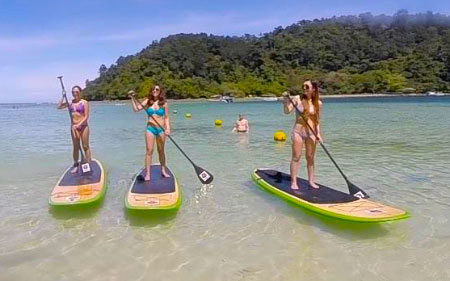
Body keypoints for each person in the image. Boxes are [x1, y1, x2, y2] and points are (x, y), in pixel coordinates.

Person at [283, 80, 323, 189]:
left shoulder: (318, 103)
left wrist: (318, 134)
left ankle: (311, 181)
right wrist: (286, 101)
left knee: (310, 157)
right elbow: (287, 111)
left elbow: (317, 120)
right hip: (298, 131)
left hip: (311, 132)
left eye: (307, 86)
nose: (304, 88)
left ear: (313, 89)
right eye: (303, 86)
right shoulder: (297, 99)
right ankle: (294, 182)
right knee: (296, 156)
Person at [129, 85, 171, 181]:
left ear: (160, 91)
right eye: (153, 89)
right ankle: (148, 174)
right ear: (151, 91)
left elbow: (167, 117)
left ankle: (163, 171)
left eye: (157, 89)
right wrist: (133, 98)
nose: (155, 91)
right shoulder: (148, 101)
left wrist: (168, 129)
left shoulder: (164, 103)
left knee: (161, 151)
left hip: (161, 130)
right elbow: (136, 109)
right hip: (150, 129)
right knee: (149, 151)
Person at [57, 85, 92, 173]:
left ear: (80, 92)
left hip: (83, 127)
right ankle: (76, 164)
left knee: (85, 146)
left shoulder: (84, 102)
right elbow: (59, 107)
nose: (75, 93)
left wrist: (79, 124)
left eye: (77, 92)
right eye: (73, 92)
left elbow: (86, 116)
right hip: (74, 127)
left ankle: (88, 163)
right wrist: (63, 96)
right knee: (76, 147)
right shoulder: (70, 103)